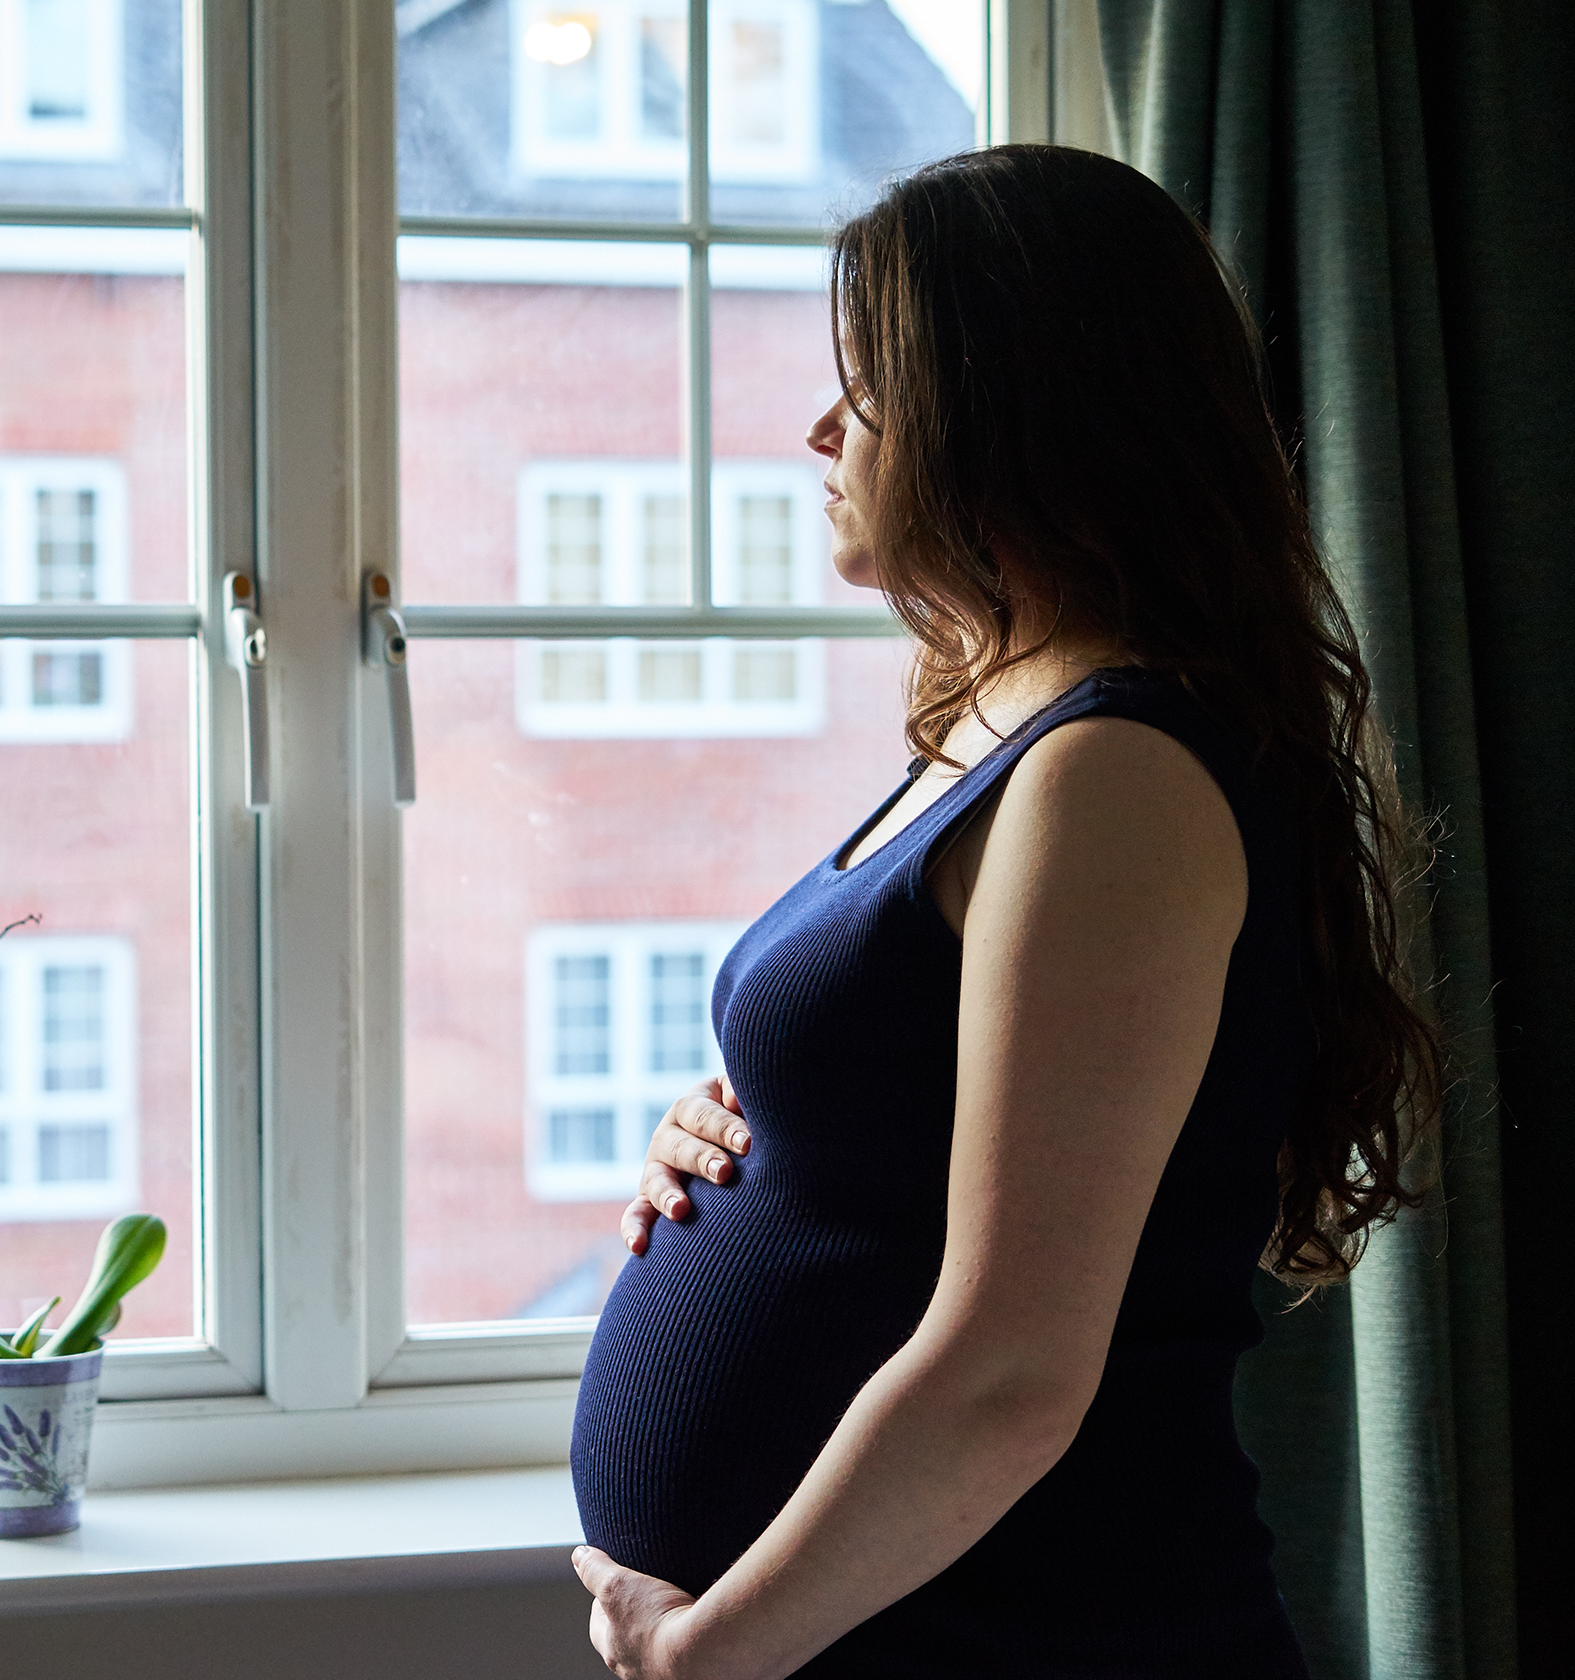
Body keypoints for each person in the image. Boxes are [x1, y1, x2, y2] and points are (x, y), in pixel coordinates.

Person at [566, 144, 1438, 1680]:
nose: (820, 431)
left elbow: (1014, 1366)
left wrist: (707, 1654)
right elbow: (907, 1128)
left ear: (1004, 415)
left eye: (868, 392)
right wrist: (739, 1138)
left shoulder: (1116, 771)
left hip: (1030, 1629)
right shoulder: (999, 722)